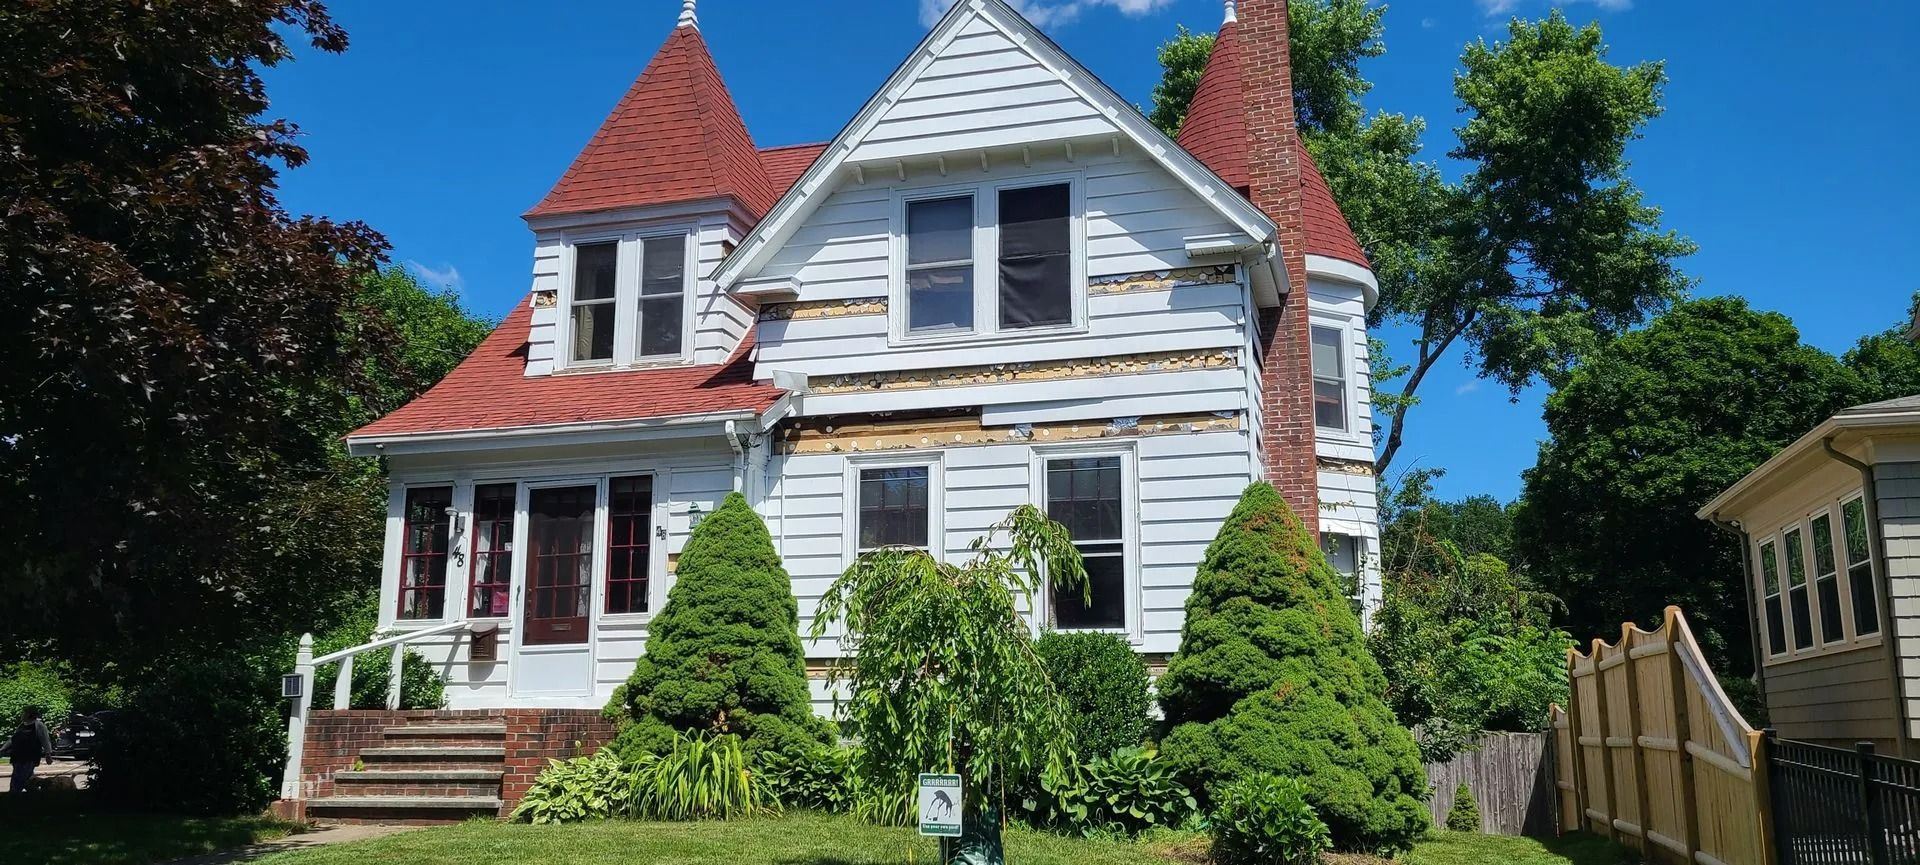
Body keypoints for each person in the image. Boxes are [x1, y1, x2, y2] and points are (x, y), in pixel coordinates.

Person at [6, 706, 54, 793]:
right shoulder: (21, 726)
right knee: (27, 781)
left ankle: (13, 798)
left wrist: (48, 754)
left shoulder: (38, 725)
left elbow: (45, 740)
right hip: (17, 758)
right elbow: (13, 739)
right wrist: (2, 749)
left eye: (23, 712)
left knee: (19, 780)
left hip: (29, 758)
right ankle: (37, 797)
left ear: (29, 714)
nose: (21, 714)